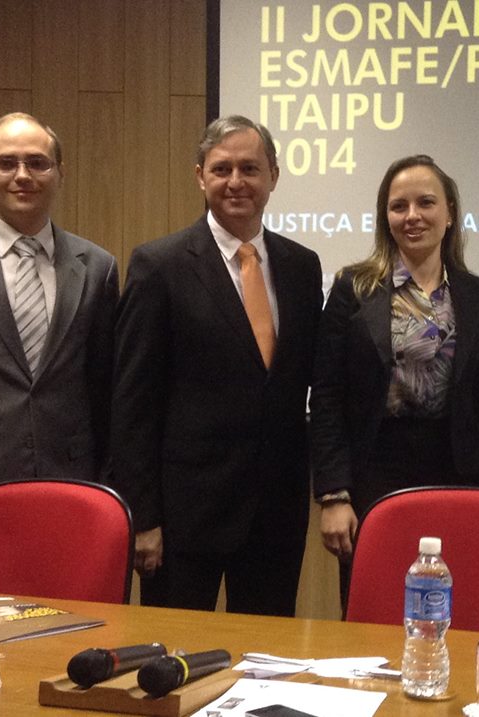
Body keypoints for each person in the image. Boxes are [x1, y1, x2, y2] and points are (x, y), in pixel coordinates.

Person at [109, 116, 322, 615]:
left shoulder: (301, 265)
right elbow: (132, 401)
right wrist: (143, 517)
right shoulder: (158, 265)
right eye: (221, 168)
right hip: (184, 519)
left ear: (273, 174)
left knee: (266, 668)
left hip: (276, 516)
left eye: (250, 168)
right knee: (176, 665)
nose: (236, 182)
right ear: (200, 176)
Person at [0, 112, 119, 582]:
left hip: (69, 487)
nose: (22, 176)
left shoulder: (98, 266)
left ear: (59, 171)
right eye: (7, 163)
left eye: (37, 163)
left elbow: (104, 390)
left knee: (59, 626)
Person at [310, 155, 479, 586]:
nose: (412, 216)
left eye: (426, 203)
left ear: (449, 214)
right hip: (374, 476)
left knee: (454, 605)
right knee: (372, 606)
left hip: (459, 478)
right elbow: (326, 395)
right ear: (385, 216)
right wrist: (334, 495)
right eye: (399, 206)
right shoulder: (352, 289)